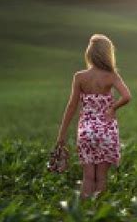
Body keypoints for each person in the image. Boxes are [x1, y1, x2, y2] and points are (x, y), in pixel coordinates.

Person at [55, 33, 132, 200]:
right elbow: (127, 96)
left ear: (89, 53)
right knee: (101, 178)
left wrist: (61, 135)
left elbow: (71, 106)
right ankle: (99, 212)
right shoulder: (111, 76)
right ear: (108, 54)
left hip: (86, 131)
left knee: (88, 178)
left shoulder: (80, 77)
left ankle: (84, 214)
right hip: (106, 131)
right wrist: (112, 108)